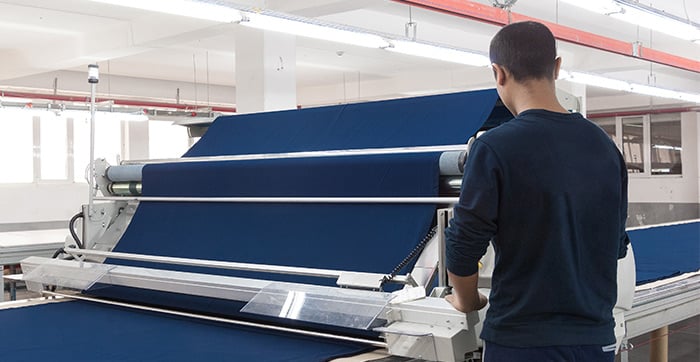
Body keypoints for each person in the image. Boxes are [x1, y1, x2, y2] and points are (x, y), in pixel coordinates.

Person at [444, 21, 629, 361]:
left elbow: (462, 246)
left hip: (522, 341)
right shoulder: (607, 148)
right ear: (557, 68)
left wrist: (466, 301)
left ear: (498, 73)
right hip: (595, 341)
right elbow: (616, 246)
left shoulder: (494, 147)